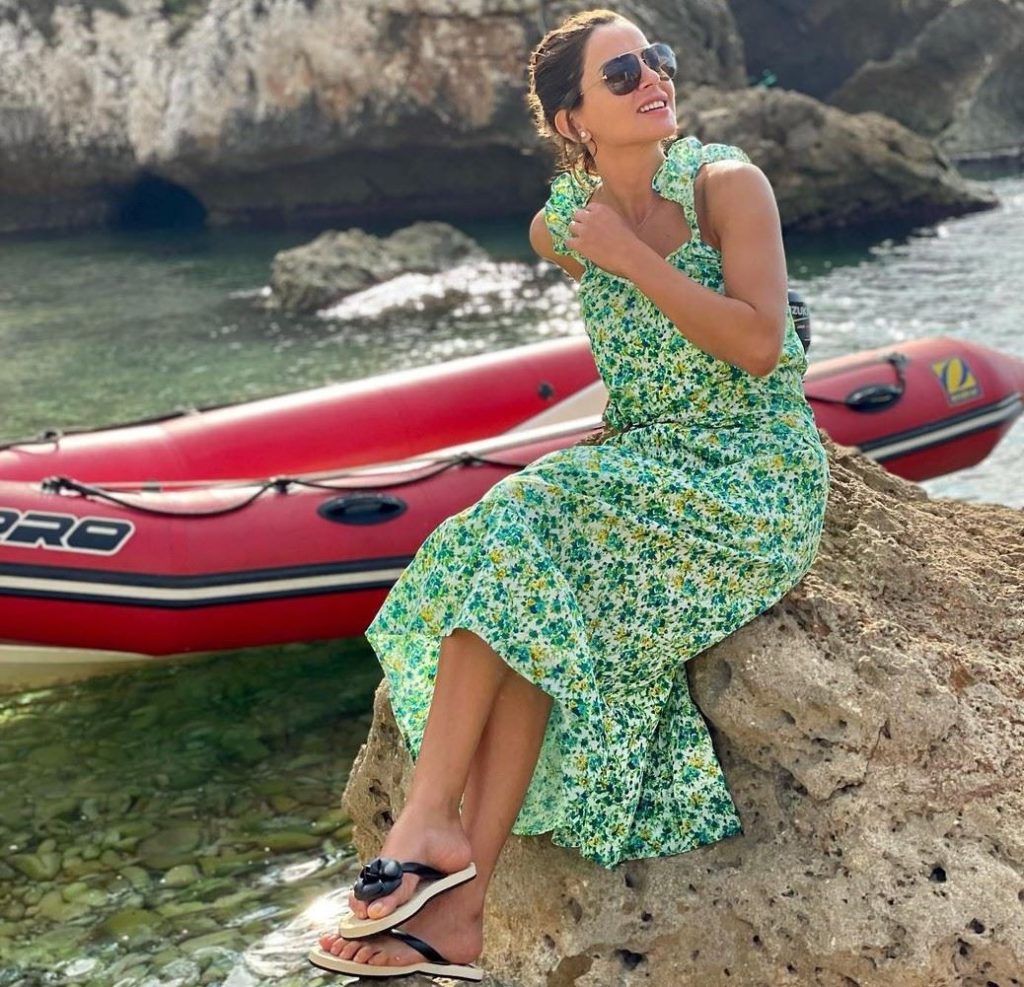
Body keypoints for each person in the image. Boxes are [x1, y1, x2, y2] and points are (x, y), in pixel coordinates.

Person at [310, 7, 830, 980]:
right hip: (645, 461)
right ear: (571, 121)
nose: (653, 79)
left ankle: (427, 820)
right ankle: (461, 912)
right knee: (525, 595)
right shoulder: (559, 229)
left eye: (655, 60)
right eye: (622, 73)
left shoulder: (726, 185)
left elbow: (761, 345)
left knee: (518, 522)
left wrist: (633, 258)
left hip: (752, 474)